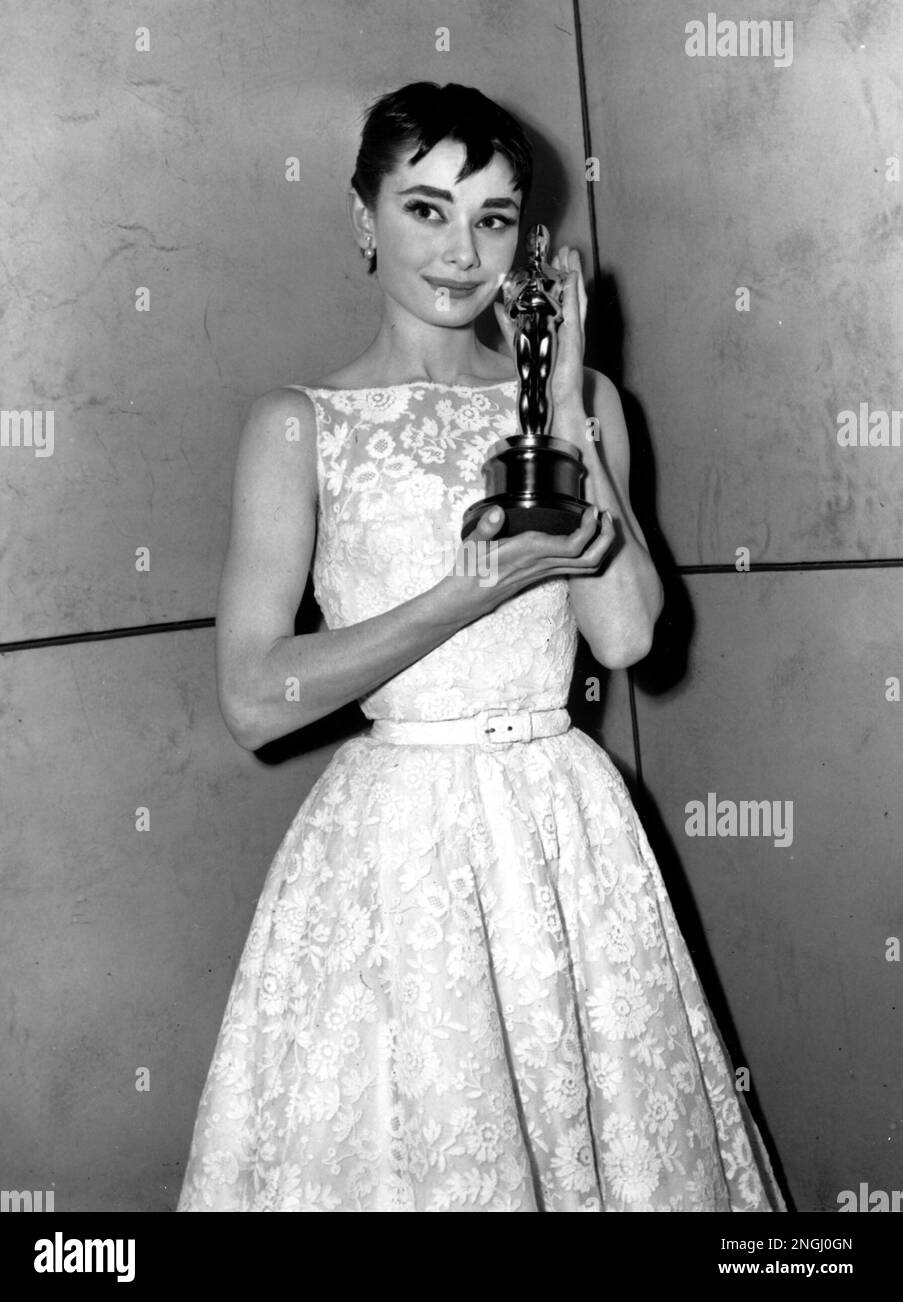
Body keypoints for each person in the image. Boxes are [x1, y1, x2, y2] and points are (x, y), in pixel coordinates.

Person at [177, 81, 786, 1212]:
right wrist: (467, 597)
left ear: (526, 237)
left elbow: (628, 631)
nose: (462, 252)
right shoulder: (297, 424)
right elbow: (256, 697)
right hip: (394, 849)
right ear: (364, 220)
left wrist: (556, 409)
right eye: (425, 210)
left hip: (565, 829)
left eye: (493, 218)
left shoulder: (584, 401)